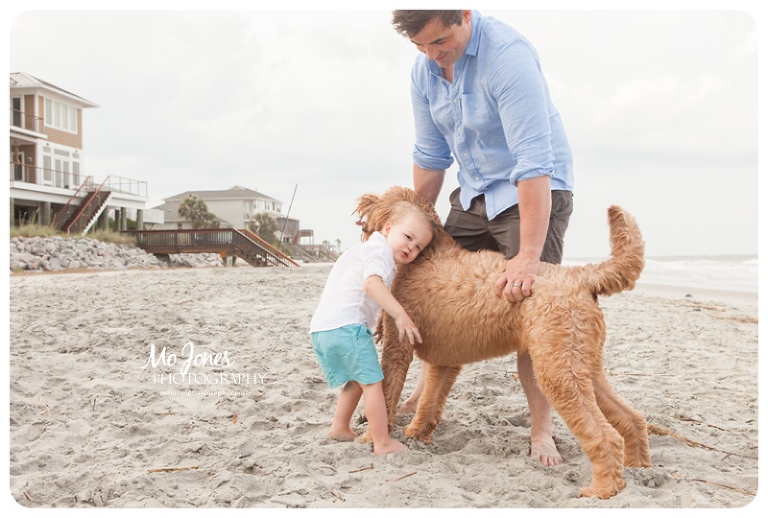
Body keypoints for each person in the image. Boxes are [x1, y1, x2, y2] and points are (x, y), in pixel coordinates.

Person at [391, 10, 575, 466]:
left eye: (440, 41)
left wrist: (528, 256)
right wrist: (410, 226)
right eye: (421, 46)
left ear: (464, 15)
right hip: (473, 193)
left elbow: (534, 162)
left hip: (532, 192)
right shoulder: (424, 70)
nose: (433, 54)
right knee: (435, 292)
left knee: (533, 312)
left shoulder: (508, 57)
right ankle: (422, 397)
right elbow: (430, 155)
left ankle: (541, 429)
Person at [310, 201, 438, 455]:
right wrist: (400, 315)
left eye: (418, 247)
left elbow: (361, 288)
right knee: (373, 383)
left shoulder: (367, 251)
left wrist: (379, 315)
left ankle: (339, 427)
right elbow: (371, 284)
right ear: (388, 229)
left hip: (323, 329)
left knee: (357, 379)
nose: (411, 247)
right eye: (408, 237)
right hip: (347, 327)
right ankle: (382, 441)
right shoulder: (378, 250)